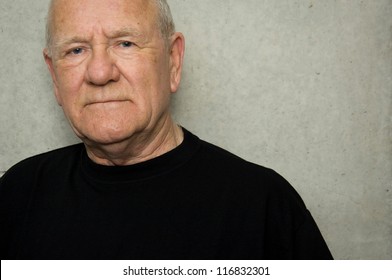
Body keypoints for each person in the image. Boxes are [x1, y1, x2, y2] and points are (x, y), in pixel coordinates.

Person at [0, 0, 332, 260]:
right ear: (55, 77)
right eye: (76, 50)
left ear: (173, 60)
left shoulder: (262, 206)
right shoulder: (17, 194)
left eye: (125, 43)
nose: (100, 72)